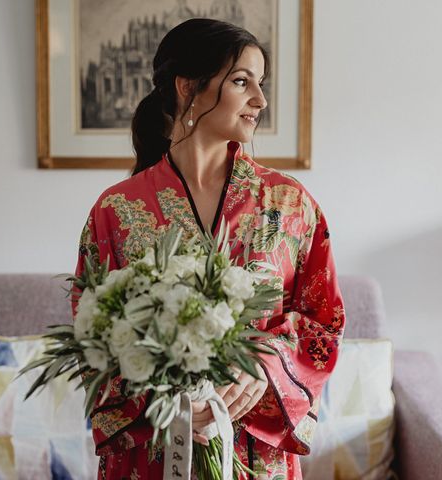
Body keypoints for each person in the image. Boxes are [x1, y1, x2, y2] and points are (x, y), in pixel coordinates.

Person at [72, 18, 345, 480]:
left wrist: (262, 367)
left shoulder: (290, 204)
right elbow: (90, 334)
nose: (260, 100)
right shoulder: (116, 210)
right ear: (187, 87)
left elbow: (324, 324)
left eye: (261, 84)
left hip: (254, 458)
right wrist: (167, 395)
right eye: (242, 82)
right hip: (152, 454)